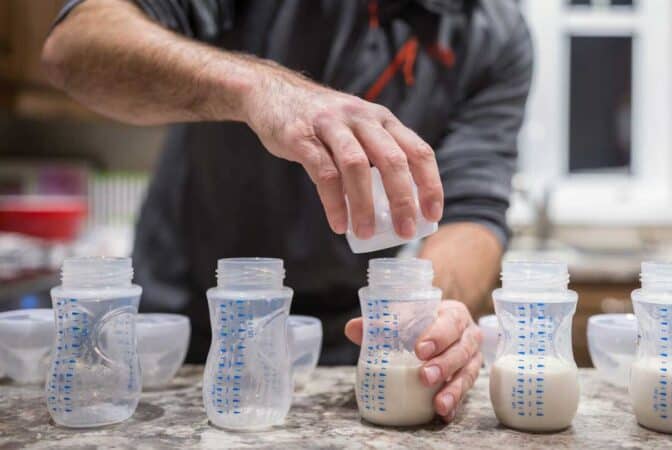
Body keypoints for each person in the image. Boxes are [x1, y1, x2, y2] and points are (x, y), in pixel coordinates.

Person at [43, 0, 533, 422]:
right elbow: (76, 45)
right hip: (184, 328)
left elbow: (474, 209)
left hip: (342, 346)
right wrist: (259, 89)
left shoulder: (494, 32)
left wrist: (428, 311)